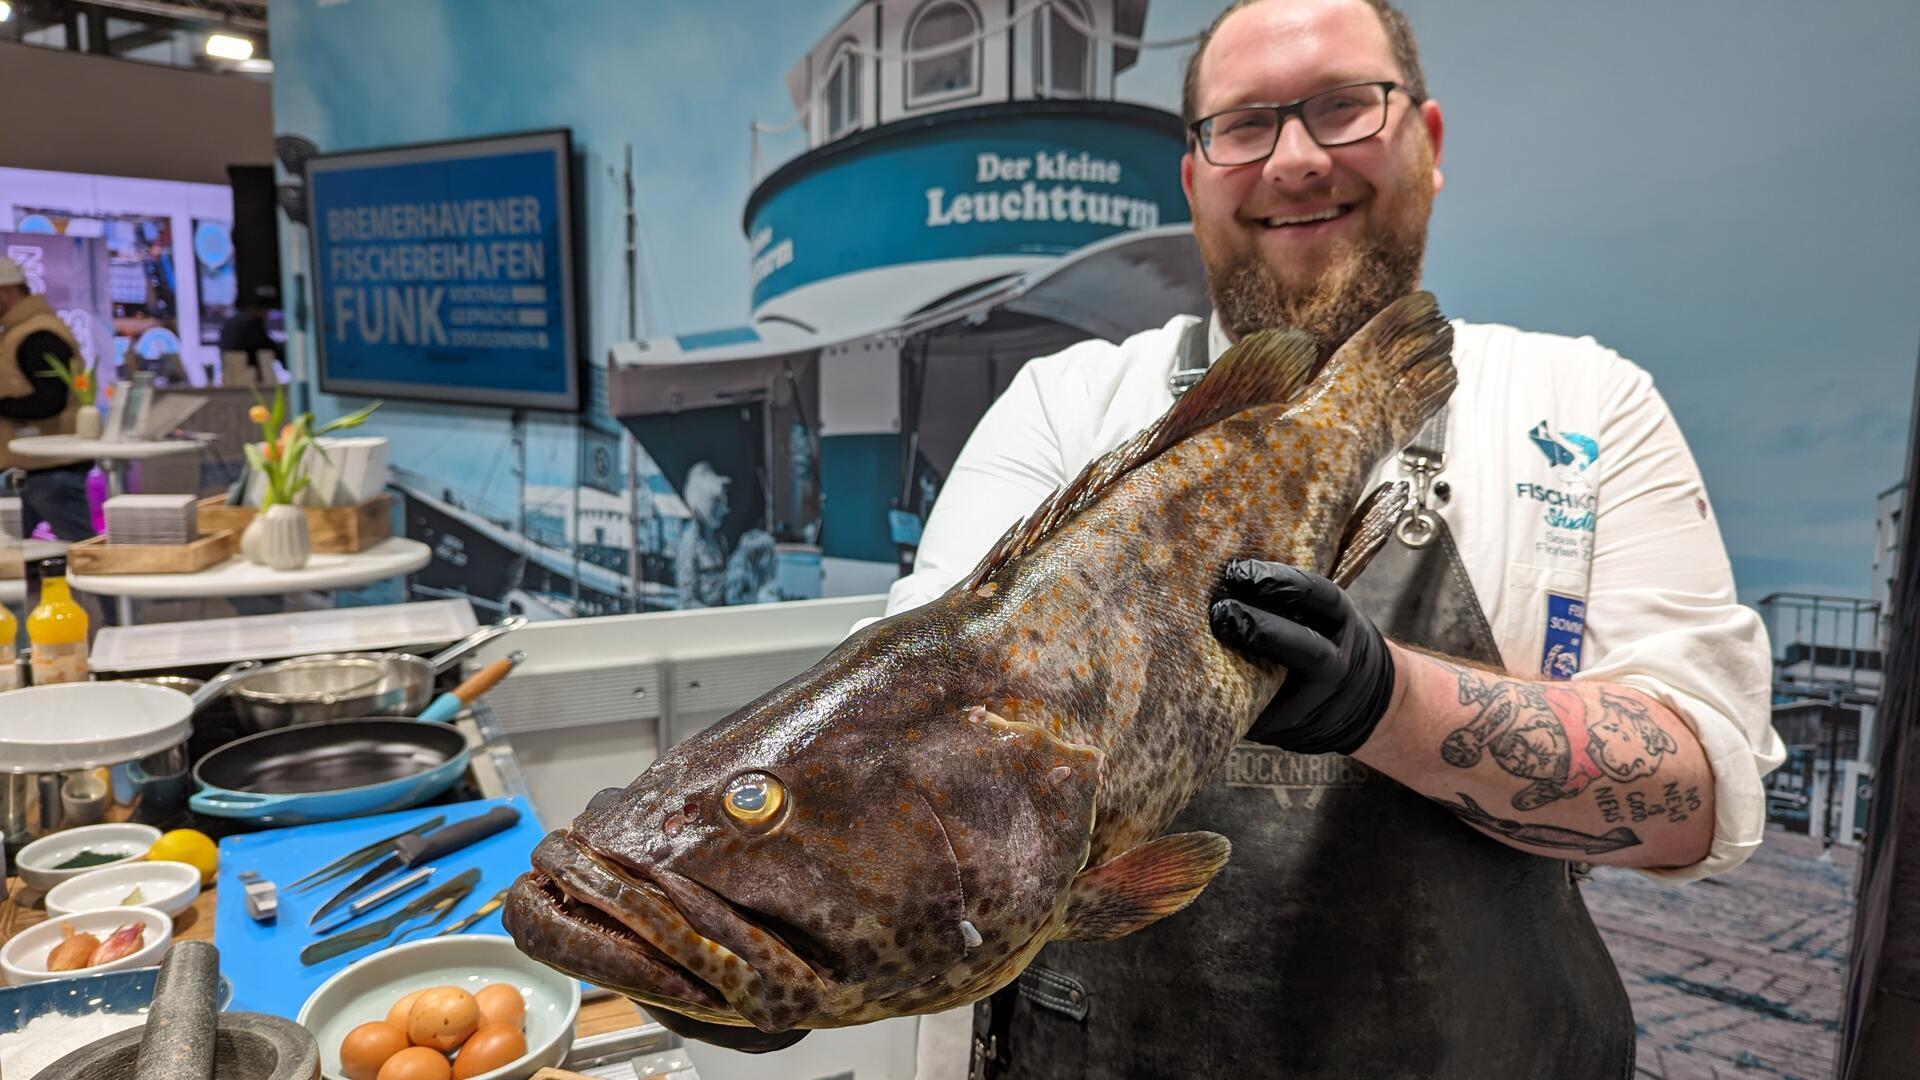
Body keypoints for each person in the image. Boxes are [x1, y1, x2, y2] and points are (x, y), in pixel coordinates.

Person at [880, 2, 1785, 1077]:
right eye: (1246, 124)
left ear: (1429, 142)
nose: (1296, 160)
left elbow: (1696, 797)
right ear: (1195, 173)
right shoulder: (1065, 408)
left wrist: (1385, 705)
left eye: (1343, 107)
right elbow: (919, 725)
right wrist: (776, 925)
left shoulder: (1581, 406)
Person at [0, 256, 96, 542]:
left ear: (6, 290)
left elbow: (50, 400)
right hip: (31, 471)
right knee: (17, 559)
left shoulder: (38, 334)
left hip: (50, 472)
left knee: (84, 554)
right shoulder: (22, 332)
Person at [673, 461, 732, 609]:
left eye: (723, 502)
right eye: (716, 502)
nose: (724, 509)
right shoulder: (689, 544)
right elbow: (687, 599)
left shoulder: (720, 540)